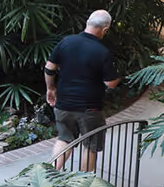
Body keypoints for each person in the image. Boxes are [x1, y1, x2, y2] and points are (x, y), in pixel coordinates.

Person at [44, 10, 120, 171]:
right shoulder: (102, 52)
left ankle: (47, 176)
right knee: (90, 145)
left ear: (87, 22)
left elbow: (49, 68)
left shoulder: (66, 42)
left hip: (63, 104)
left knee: (64, 139)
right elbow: (111, 83)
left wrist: (51, 89)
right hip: (90, 108)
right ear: (105, 29)